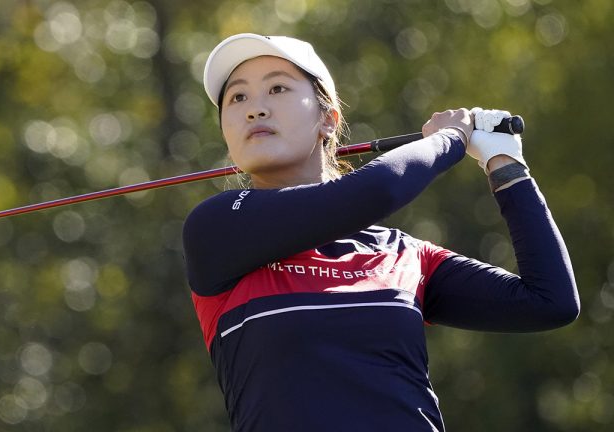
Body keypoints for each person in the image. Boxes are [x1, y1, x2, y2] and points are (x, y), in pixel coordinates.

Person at [181, 33, 579, 431]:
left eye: (277, 88)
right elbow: (373, 192)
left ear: (328, 118)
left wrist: (505, 163)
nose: (255, 109)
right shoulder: (216, 229)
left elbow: (550, 300)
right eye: (238, 97)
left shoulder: (404, 255)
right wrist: (450, 138)